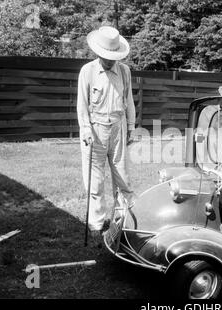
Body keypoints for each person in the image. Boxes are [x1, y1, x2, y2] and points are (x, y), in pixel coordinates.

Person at [77, 26, 137, 238]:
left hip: (118, 127)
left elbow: (128, 100)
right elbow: (82, 104)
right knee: (95, 179)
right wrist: (85, 129)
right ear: (98, 52)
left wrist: (131, 127)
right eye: (106, 56)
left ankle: (125, 219)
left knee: (123, 176)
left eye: (114, 56)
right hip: (96, 128)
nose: (110, 60)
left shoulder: (124, 71)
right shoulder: (88, 71)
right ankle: (97, 222)